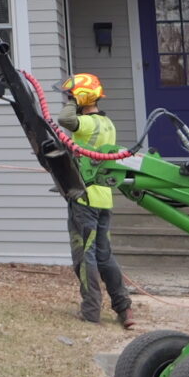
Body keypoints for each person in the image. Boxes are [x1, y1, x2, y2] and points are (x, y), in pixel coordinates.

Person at [58, 73, 133, 330]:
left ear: (83, 97)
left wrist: (74, 98)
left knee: (84, 255)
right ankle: (124, 307)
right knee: (104, 255)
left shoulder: (89, 123)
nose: (69, 100)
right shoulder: (108, 123)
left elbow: (65, 119)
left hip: (85, 198)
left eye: (72, 96)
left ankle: (91, 311)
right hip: (103, 198)